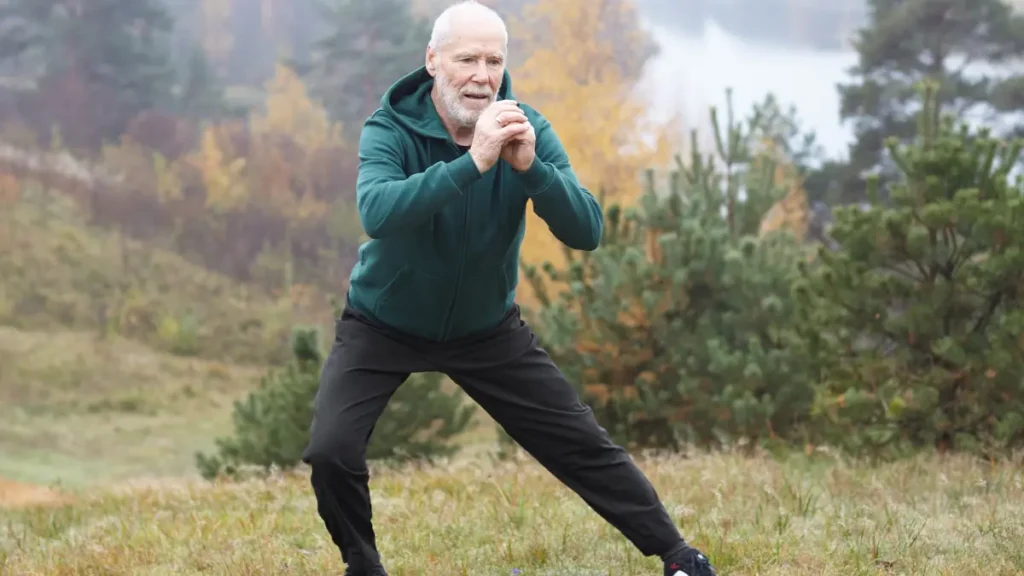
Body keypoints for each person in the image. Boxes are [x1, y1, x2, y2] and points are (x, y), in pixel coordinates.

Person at [300, 2, 718, 575]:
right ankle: (363, 566)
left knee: (579, 441)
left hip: (484, 329)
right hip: (382, 323)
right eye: (466, 58)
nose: (481, 74)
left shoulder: (529, 127)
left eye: (493, 60)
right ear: (432, 61)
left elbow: (587, 230)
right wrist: (472, 162)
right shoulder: (390, 127)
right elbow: (377, 211)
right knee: (331, 451)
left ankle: (676, 554)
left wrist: (531, 170)